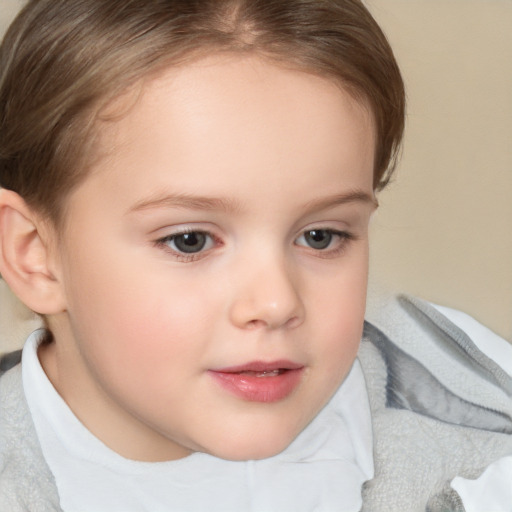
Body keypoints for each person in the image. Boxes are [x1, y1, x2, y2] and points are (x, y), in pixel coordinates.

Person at [0, 1, 510, 510]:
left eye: (321, 236)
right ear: (35, 255)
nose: (274, 303)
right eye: (190, 241)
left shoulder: (481, 428)